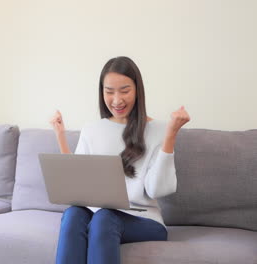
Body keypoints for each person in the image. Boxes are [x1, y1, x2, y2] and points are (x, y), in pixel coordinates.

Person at [49, 56, 190, 264]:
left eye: (124, 91)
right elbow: (76, 190)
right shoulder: (92, 130)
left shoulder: (159, 129)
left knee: (105, 218)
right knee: (73, 215)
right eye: (109, 92)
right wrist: (61, 137)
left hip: (145, 219)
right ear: (101, 92)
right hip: (99, 217)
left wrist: (170, 135)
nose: (117, 100)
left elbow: (157, 190)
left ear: (137, 90)